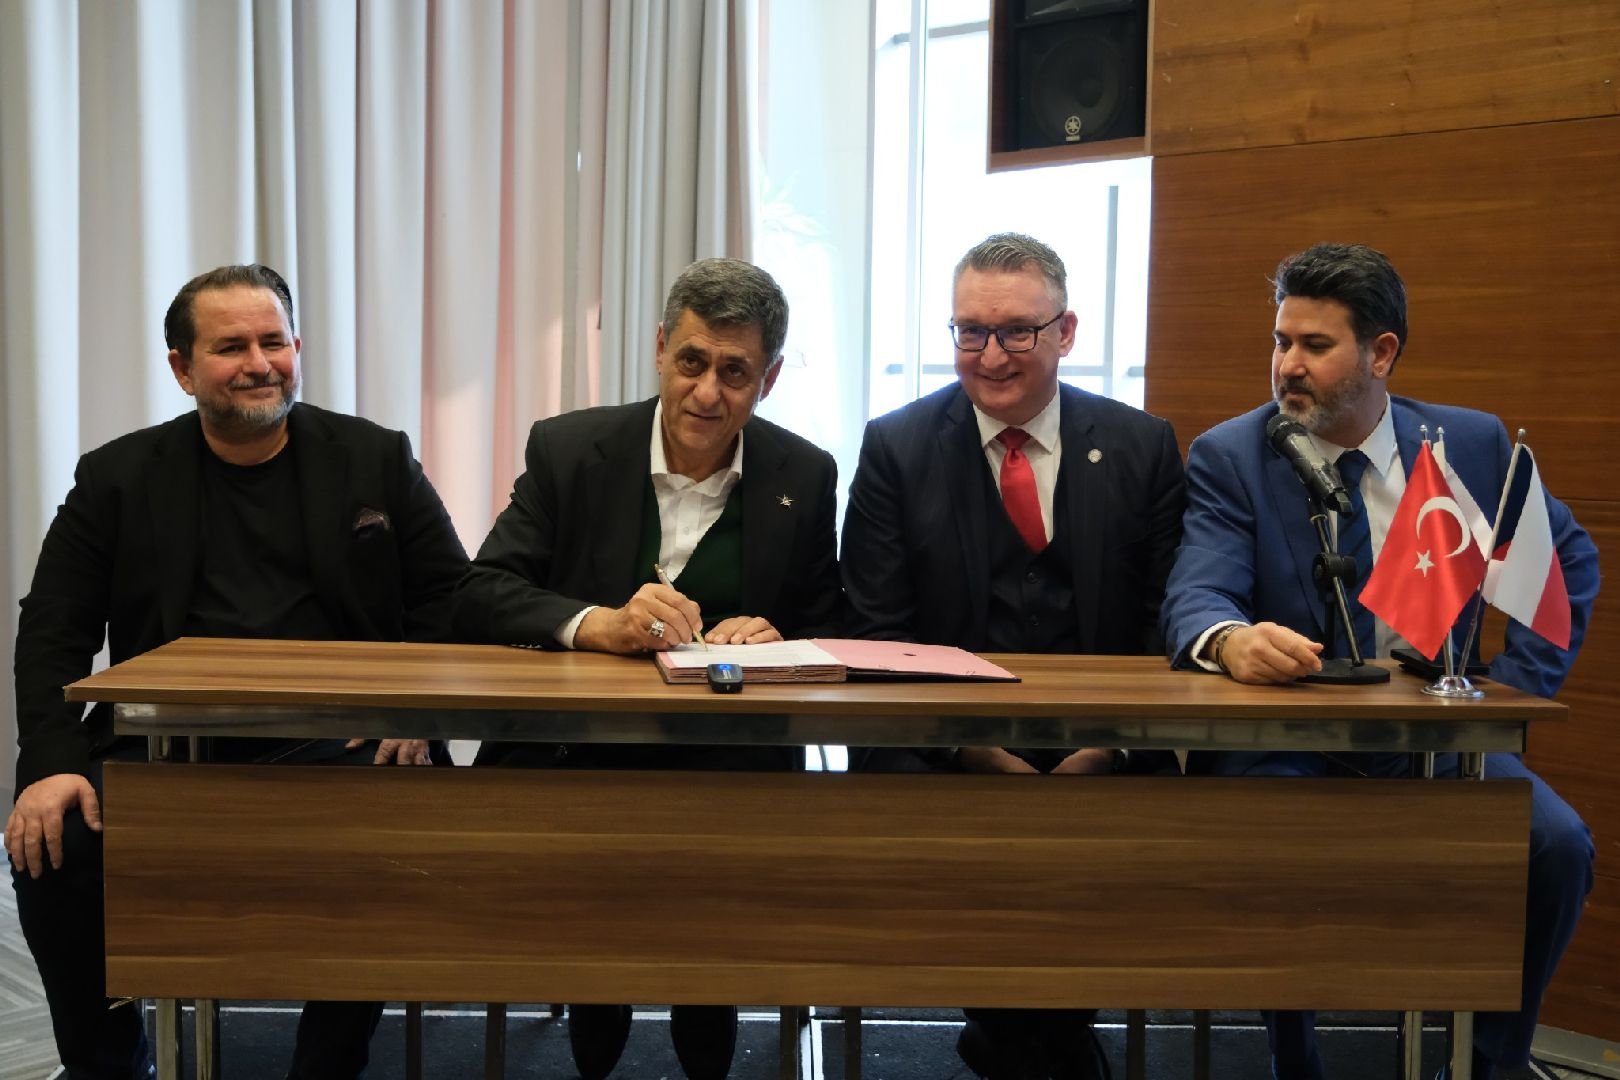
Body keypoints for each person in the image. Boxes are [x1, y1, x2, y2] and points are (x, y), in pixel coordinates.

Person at [5, 264, 469, 1080]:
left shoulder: (375, 458)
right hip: (159, 747)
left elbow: (451, 599)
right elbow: (52, 629)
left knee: (393, 832)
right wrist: (49, 764)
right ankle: (109, 1066)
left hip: (345, 743)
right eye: (231, 348)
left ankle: (326, 1068)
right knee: (55, 842)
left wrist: (414, 711)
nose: (260, 364)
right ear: (183, 368)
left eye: (273, 342)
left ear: (297, 347)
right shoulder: (117, 477)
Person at [1159, 242, 1597, 1080]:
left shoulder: (1469, 444)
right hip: (1285, 740)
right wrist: (1230, 639)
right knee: (1277, 844)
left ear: (1381, 353)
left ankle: (1491, 1066)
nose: (1287, 364)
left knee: (1556, 846)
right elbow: (1197, 590)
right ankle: (1297, 1060)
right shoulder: (1232, 454)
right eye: (1281, 340)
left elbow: (1565, 559)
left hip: (1433, 738)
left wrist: (1515, 691)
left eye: (1314, 345)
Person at [452, 257, 841, 1080]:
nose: (707, 392)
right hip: (578, 758)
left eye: (734, 372)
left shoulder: (804, 476)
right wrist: (594, 625)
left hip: (732, 768)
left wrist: (777, 637)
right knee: (598, 928)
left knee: (713, 934)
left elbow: (831, 623)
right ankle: (596, 1034)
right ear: (661, 348)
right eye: (692, 361)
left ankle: (708, 1036)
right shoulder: (570, 449)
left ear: (768, 380)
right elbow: (483, 591)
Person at [840, 232, 1187, 1080]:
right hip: (942, 746)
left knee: (1098, 851)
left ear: (1066, 333)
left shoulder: (1142, 446)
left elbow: (1163, 621)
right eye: (970, 331)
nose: (990, 356)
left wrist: (1109, 747)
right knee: (981, 855)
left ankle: (1021, 1041)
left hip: (1107, 746)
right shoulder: (896, 447)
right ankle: (1043, 1043)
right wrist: (967, 748)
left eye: (1016, 332)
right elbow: (877, 628)